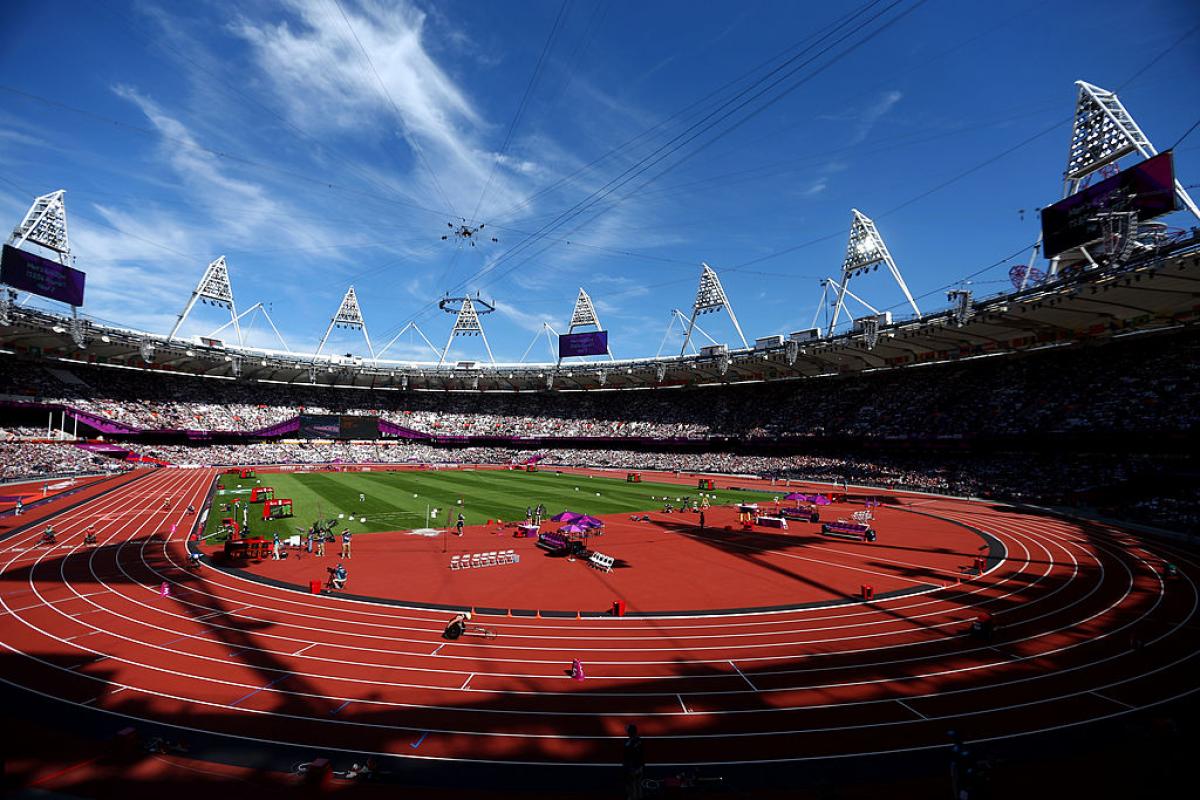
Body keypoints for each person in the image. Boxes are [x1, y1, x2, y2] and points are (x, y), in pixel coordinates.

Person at [623, 724, 645, 800]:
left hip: (632, 768)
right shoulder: (640, 740)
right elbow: (642, 754)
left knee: (632, 785)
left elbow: (626, 757)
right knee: (638, 785)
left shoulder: (627, 744)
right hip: (640, 767)